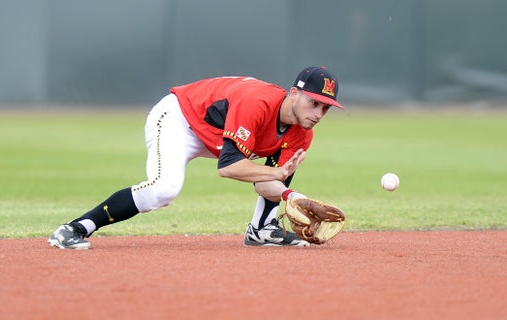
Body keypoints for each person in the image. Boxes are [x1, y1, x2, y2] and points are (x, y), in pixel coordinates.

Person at [48, 66, 345, 249]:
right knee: (164, 190)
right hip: (180, 119)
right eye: (314, 103)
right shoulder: (258, 103)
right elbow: (228, 168)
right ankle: (74, 228)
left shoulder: (302, 132)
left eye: (326, 108)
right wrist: (278, 176)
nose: (318, 114)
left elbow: (264, 185)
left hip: (216, 137)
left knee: (268, 176)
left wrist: (293, 194)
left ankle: (262, 230)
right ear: (294, 93)